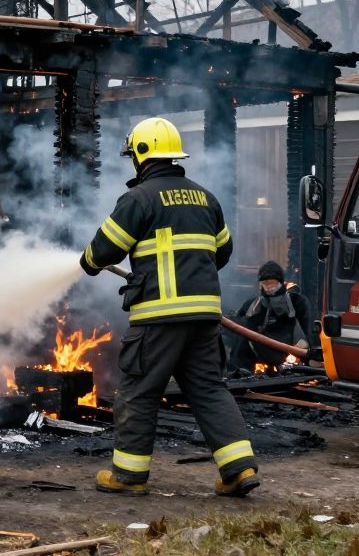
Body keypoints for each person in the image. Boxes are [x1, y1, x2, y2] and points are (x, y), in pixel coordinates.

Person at [79, 117, 260, 497]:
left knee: (138, 391)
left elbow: (102, 251)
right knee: (210, 390)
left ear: (141, 155)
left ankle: (128, 476)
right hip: (204, 317)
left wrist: (89, 263)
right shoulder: (205, 197)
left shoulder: (138, 198)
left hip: (158, 318)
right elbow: (221, 252)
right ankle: (239, 470)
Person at [226, 261, 312, 374]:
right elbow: (239, 330)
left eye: (272, 283)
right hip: (262, 350)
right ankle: (240, 371)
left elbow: (308, 329)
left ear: (280, 282)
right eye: (265, 283)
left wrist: (312, 355)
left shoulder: (296, 302)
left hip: (288, 349)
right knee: (240, 328)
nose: (268, 287)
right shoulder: (253, 305)